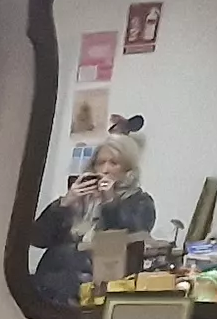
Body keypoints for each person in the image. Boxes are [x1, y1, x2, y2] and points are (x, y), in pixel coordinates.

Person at [26, 131, 158, 307]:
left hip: (101, 288)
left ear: (128, 169)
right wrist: (65, 203)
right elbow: (38, 238)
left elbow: (130, 238)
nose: (105, 169)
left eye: (114, 163)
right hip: (52, 285)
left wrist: (110, 202)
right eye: (100, 163)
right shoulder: (79, 200)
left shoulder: (140, 201)